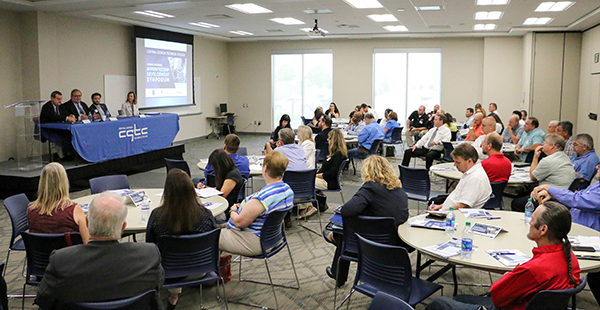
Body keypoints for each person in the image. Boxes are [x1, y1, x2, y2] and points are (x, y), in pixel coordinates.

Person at [426, 201, 581, 310]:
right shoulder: (569, 256)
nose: (529, 223)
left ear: (543, 229)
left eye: (532, 220)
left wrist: (509, 275)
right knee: (460, 299)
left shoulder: (533, 269)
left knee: (439, 303)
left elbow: (497, 297)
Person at [35, 193, 164, 309]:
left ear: (86, 222)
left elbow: (44, 299)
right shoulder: (149, 255)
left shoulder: (61, 260)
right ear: (123, 227)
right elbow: (157, 286)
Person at [323, 155, 409, 287]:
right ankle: (337, 271)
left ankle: (338, 272)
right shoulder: (401, 192)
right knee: (347, 232)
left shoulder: (370, 188)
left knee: (343, 232)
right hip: (397, 245)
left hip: (371, 245)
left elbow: (347, 210)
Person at [146, 168, 217, 309]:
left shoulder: (157, 216)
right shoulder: (206, 214)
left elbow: (150, 246)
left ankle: (173, 295)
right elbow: (214, 242)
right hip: (201, 269)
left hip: (167, 272)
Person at [532, 168, 600, 304]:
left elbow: (577, 200)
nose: (597, 167)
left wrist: (550, 188)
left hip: (586, 237)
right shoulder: (597, 185)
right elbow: (576, 198)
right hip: (571, 230)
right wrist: (554, 196)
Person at [219, 151, 294, 256]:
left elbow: (239, 223)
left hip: (255, 240)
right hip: (274, 238)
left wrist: (232, 210)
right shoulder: (288, 190)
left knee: (210, 237)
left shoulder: (260, 199)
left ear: (265, 169)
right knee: (217, 226)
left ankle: (209, 270)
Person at [28, 162, 90, 243]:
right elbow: (87, 243)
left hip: (41, 255)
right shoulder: (74, 210)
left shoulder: (31, 210)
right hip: (68, 255)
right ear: (64, 182)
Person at [512, 134, 576, 212]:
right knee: (522, 195)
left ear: (552, 146)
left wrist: (535, 157)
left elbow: (533, 176)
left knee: (516, 203)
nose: (542, 144)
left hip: (550, 197)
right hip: (563, 195)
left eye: (545, 142)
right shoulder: (565, 157)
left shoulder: (548, 160)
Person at [429, 143, 492, 211]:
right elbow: (457, 197)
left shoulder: (474, 178)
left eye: (458, 162)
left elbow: (463, 205)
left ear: (469, 161)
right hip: (450, 210)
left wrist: (442, 212)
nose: (455, 164)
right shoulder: (471, 173)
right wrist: (441, 206)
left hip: (454, 215)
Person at [40, 90, 76, 161]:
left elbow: (65, 114)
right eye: (58, 99)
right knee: (66, 135)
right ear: (52, 98)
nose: (60, 101)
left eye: (61, 99)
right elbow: (53, 117)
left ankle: (71, 153)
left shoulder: (61, 106)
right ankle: (65, 154)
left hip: (59, 128)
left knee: (71, 133)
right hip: (49, 129)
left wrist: (70, 116)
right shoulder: (47, 107)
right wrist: (66, 118)